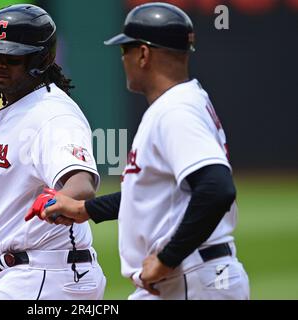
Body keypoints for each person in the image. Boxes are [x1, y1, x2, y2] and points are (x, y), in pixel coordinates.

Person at [30, 2, 250, 300]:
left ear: (143, 54)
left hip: (191, 278)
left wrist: (165, 259)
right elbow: (153, 195)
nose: (124, 60)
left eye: (126, 51)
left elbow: (217, 188)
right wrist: (85, 210)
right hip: (192, 277)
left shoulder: (176, 111)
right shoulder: (184, 102)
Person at [0, 4, 106, 300]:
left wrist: (61, 198)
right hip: (27, 275)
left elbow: (82, 182)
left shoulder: (52, 114)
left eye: (12, 56)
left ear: (40, 59)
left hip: (46, 278)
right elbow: (10, 219)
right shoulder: (13, 111)